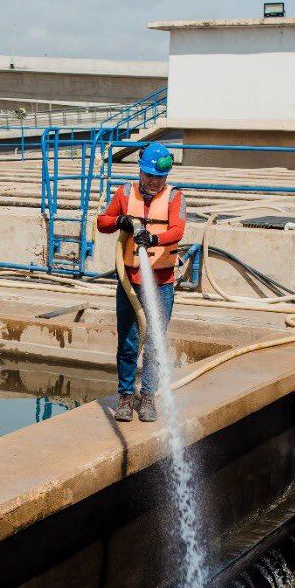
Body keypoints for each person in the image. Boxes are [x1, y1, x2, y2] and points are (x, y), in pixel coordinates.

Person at [96, 142, 186, 423]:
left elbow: (178, 230)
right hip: (129, 282)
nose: (153, 182)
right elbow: (102, 222)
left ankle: (147, 397)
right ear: (140, 171)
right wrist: (120, 220)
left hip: (161, 282)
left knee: (155, 342)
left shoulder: (175, 197)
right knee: (128, 341)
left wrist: (155, 238)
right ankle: (125, 396)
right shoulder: (124, 193)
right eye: (149, 176)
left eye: (159, 177)